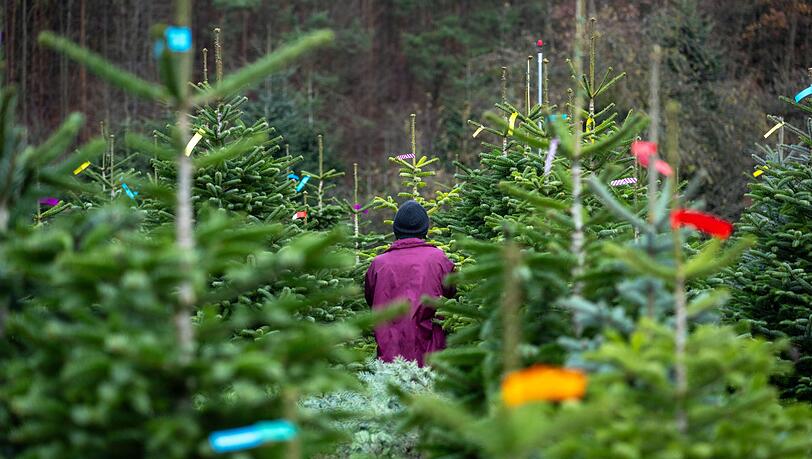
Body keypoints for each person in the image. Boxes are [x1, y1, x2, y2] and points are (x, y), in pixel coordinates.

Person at [364, 200, 456, 366]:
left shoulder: (378, 264)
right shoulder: (439, 260)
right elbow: (452, 298)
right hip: (431, 362)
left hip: (388, 365)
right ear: (424, 229)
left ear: (396, 230)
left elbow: (371, 301)